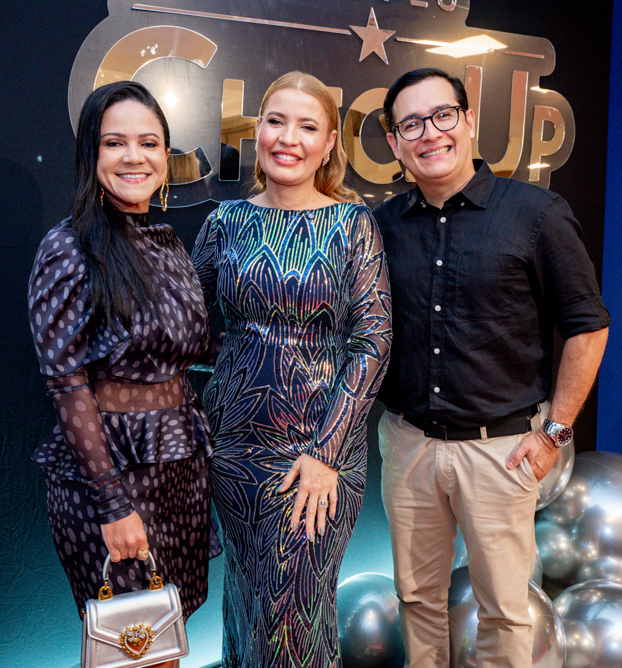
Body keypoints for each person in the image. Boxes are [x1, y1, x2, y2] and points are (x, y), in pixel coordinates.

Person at [372, 68, 610, 668]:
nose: (430, 133)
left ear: (469, 120)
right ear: (396, 143)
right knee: (416, 596)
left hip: (501, 450)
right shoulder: (382, 227)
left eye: (443, 115)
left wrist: (554, 431)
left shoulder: (535, 214)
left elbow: (588, 325)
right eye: (411, 124)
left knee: (505, 607)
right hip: (410, 445)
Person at [191, 71, 391, 667]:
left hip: (317, 457)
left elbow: (373, 340)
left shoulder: (353, 225)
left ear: (330, 143)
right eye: (276, 122)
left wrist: (326, 453)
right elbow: (191, 330)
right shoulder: (223, 224)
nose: (289, 138)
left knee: (295, 618)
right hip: (235, 452)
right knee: (249, 606)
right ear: (257, 133)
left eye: (308, 126)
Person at [27, 81, 215, 656]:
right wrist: (113, 505)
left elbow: (188, 352)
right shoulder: (68, 247)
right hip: (112, 479)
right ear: (92, 155)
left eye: (149, 142)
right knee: (130, 644)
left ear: (166, 156)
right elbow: (66, 381)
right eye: (115, 143)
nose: (134, 157)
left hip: (177, 467)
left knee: (166, 636)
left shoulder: (168, 242)